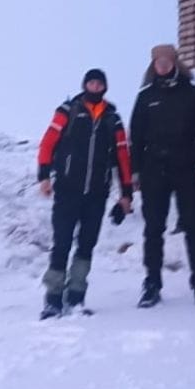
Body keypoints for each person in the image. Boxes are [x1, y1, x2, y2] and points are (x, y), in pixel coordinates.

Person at [36, 69, 134, 319]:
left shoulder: (113, 118)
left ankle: (76, 297)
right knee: (62, 243)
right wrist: (44, 176)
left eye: (99, 83)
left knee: (87, 245)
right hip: (68, 190)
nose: (95, 86)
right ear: (84, 84)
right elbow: (48, 143)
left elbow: (122, 157)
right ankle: (53, 299)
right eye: (91, 82)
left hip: (96, 194)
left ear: (105, 87)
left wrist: (126, 193)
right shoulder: (67, 111)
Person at [130, 44, 195, 309]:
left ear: (176, 63)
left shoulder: (193, 94)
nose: (163, 65)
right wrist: (135, 171)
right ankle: (152, 285)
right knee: (153, 229)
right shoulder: (146, 97)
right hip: (153, 170)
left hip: (187, 167)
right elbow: (135, 136)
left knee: (194, 227)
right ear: (153, 65)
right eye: (158, 61)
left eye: (167, 60)